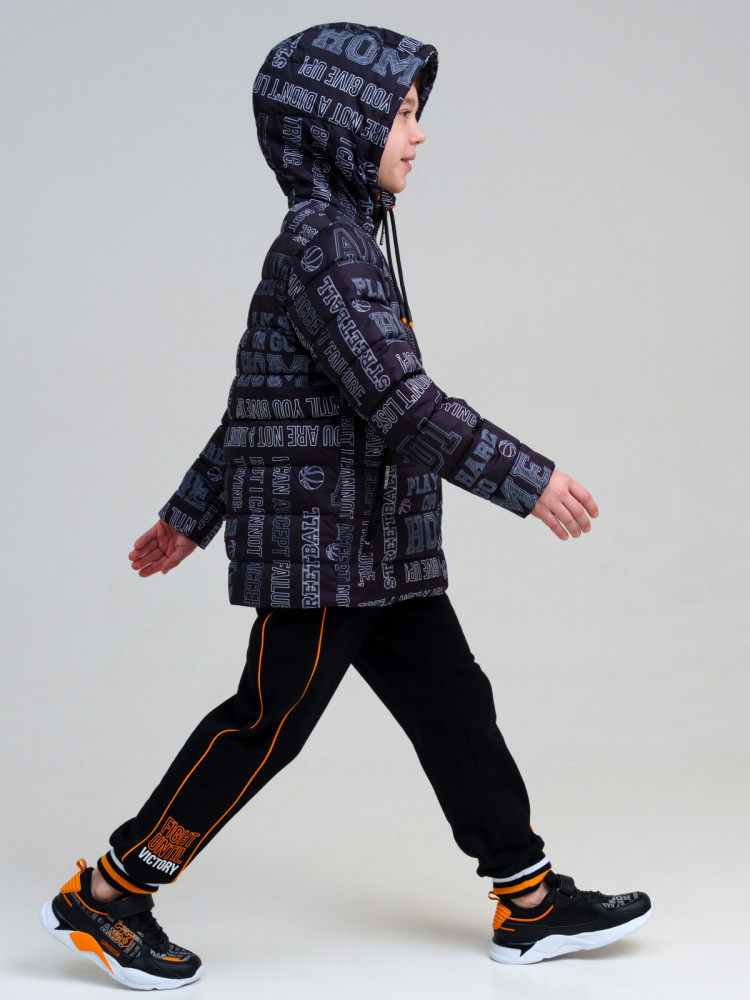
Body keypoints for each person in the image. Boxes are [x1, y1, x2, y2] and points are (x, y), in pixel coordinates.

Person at [40, 22, 652, 990]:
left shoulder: (346, 237)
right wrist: (527, 479)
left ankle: (529, 901)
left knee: (456, 705)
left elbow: (262, 399)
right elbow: (402, 402)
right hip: (326, 550)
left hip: (381, 548)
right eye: (401, 114)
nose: (419, 133)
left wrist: (190, 514)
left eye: (416, 113)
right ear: (341, 124)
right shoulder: (326, 247)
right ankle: (111, 891)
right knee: (265, 726)